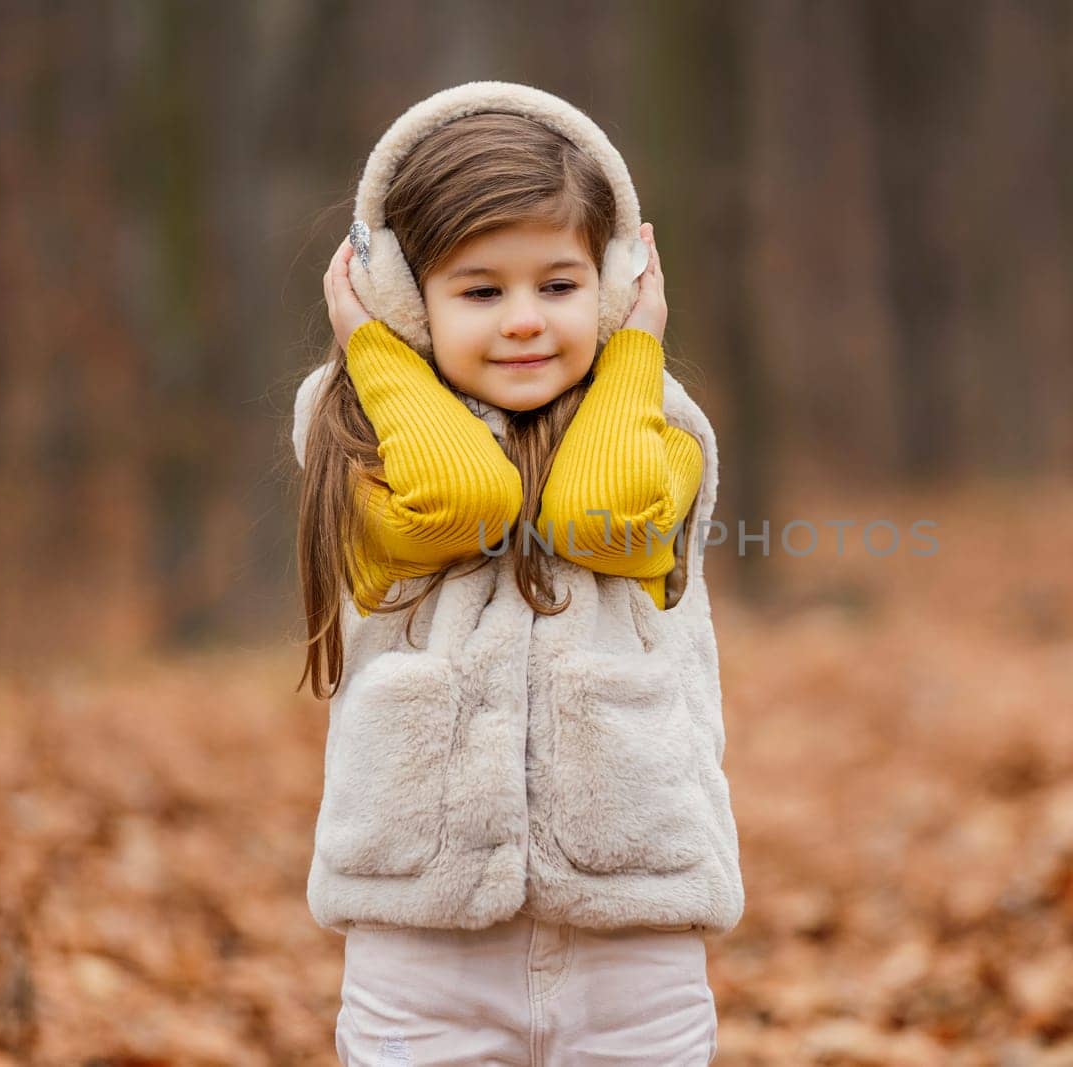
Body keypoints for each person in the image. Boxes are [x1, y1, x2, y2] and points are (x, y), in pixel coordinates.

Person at [288, 81, 743, 1065]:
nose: (526, 320)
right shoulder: (353, 439)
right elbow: (458, 501)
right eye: (480, 290)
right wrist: (377, 348)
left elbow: (599, 515)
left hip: (634, 936)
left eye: (560, 284)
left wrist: (632, 352)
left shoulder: (663, 430)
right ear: (407, 297)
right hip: (422, 944)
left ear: (617, 282)